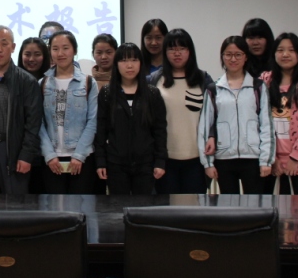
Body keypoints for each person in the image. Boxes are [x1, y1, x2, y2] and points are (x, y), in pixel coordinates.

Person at [199, 36, 274, 194]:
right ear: (222, 57)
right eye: (228, 54)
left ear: (246, 57)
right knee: (229, 206)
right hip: (224, 159)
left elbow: (266, 125)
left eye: (238, 54)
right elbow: (205, 127)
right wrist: (208, 164)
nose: (233, 59)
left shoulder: (258, 87)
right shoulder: (214, 89)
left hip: (253, 158)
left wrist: (266, 160)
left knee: (254, 205)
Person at [0, 26, 42, 194]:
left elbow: (33, 123)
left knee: (15, 204)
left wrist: (26, 155)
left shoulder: (26, 81)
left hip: (14, 149)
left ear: (13, 47)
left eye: (4, 44)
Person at [95, 43, 167, 194]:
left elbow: (160, 130)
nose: (129, 65)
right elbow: (101, 130)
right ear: (116, 64)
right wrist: (100, 161)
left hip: (145, 163)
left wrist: (160, 161)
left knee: (143, 206)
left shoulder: (152, 93)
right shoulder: (107, 93)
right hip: (115, 163)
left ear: (141, 63)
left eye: (134, 60)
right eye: (124, 60)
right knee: (117, 205)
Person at [152, 29, 213, 194]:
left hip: (197, 159)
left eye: (182, 48)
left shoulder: (203, 79)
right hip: (165, 160)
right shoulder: (155, 80)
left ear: (190, 51)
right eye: (172, 49)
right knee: (167, 207)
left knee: (193, 207)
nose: (177, 53)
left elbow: (213, 117)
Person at [262, 33, 298, 195]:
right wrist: (271, 158)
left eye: (291, 50)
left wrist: (295, 157)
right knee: (277, 208)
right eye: (280, 50)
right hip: (273, 160)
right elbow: (258, 121)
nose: (285, 54)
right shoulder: (265, 80)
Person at [39, 31, 98, 194]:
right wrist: (49, 155)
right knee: (54, 206)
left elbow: (92, 121)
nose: (60, 53)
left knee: (81, 205)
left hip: (82, 158)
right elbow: (38, 123)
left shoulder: (88, 82)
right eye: (55, 49)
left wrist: (79, 155)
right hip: (52, 159)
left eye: (65, 48)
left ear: (75, 50)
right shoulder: (42, 83)